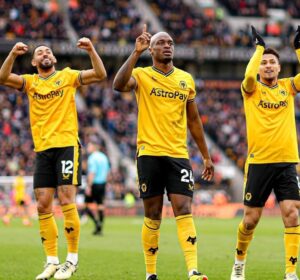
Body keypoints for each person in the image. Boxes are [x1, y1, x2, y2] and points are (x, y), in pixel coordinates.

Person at [113, 24, 214, 280]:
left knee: (183, 208)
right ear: (151, 49)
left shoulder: (185, 79)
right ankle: (151, 273)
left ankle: (192, 270)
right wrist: (135, 53)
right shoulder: (142, 75)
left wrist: (206, 155)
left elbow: (194, 121)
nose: (167, 45)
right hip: (148, 153)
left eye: (170, 42)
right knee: (153, 213)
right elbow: (118, 84)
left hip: (178, 155)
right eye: (161, 42)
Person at [0, 37, 107, 280]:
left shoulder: (67, 76)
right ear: (34, 61)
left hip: (67, 145)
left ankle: (71, 260)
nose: (45, 53)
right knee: (42, 204)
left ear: (54, 59)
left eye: (48, 51)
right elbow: (3, 77)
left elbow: (100, 74)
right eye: (40, 52)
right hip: (43, 149)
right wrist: (13, 55)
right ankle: (51, 261)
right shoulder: (30, 82)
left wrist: (91, 49)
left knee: (66, 198)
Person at [230, 26, 300, 280]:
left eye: (273, 62)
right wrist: (259, 49)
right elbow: (248, 77)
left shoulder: (287, 87)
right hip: (259, 162)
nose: (268, 65)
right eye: (264, 63)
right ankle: (239, 263)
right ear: (259, 67)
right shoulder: (251, 89)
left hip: (286, 162)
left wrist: (299, 49)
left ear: (280, 68)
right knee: (250, 220)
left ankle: (291, 272)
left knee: (292, 214)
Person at [84, 137, 110, 235]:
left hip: (94, 183)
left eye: (89, 146)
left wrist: (89, 186)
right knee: (100, 205)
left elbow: (92, 173)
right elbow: (107, 172)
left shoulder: (92, 158)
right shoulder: (104, 157)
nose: (88, 147)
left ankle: (96, 223)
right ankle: (100, 227)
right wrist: (105, 183)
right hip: (102, 184)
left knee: (86, 206)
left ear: (94, 147)